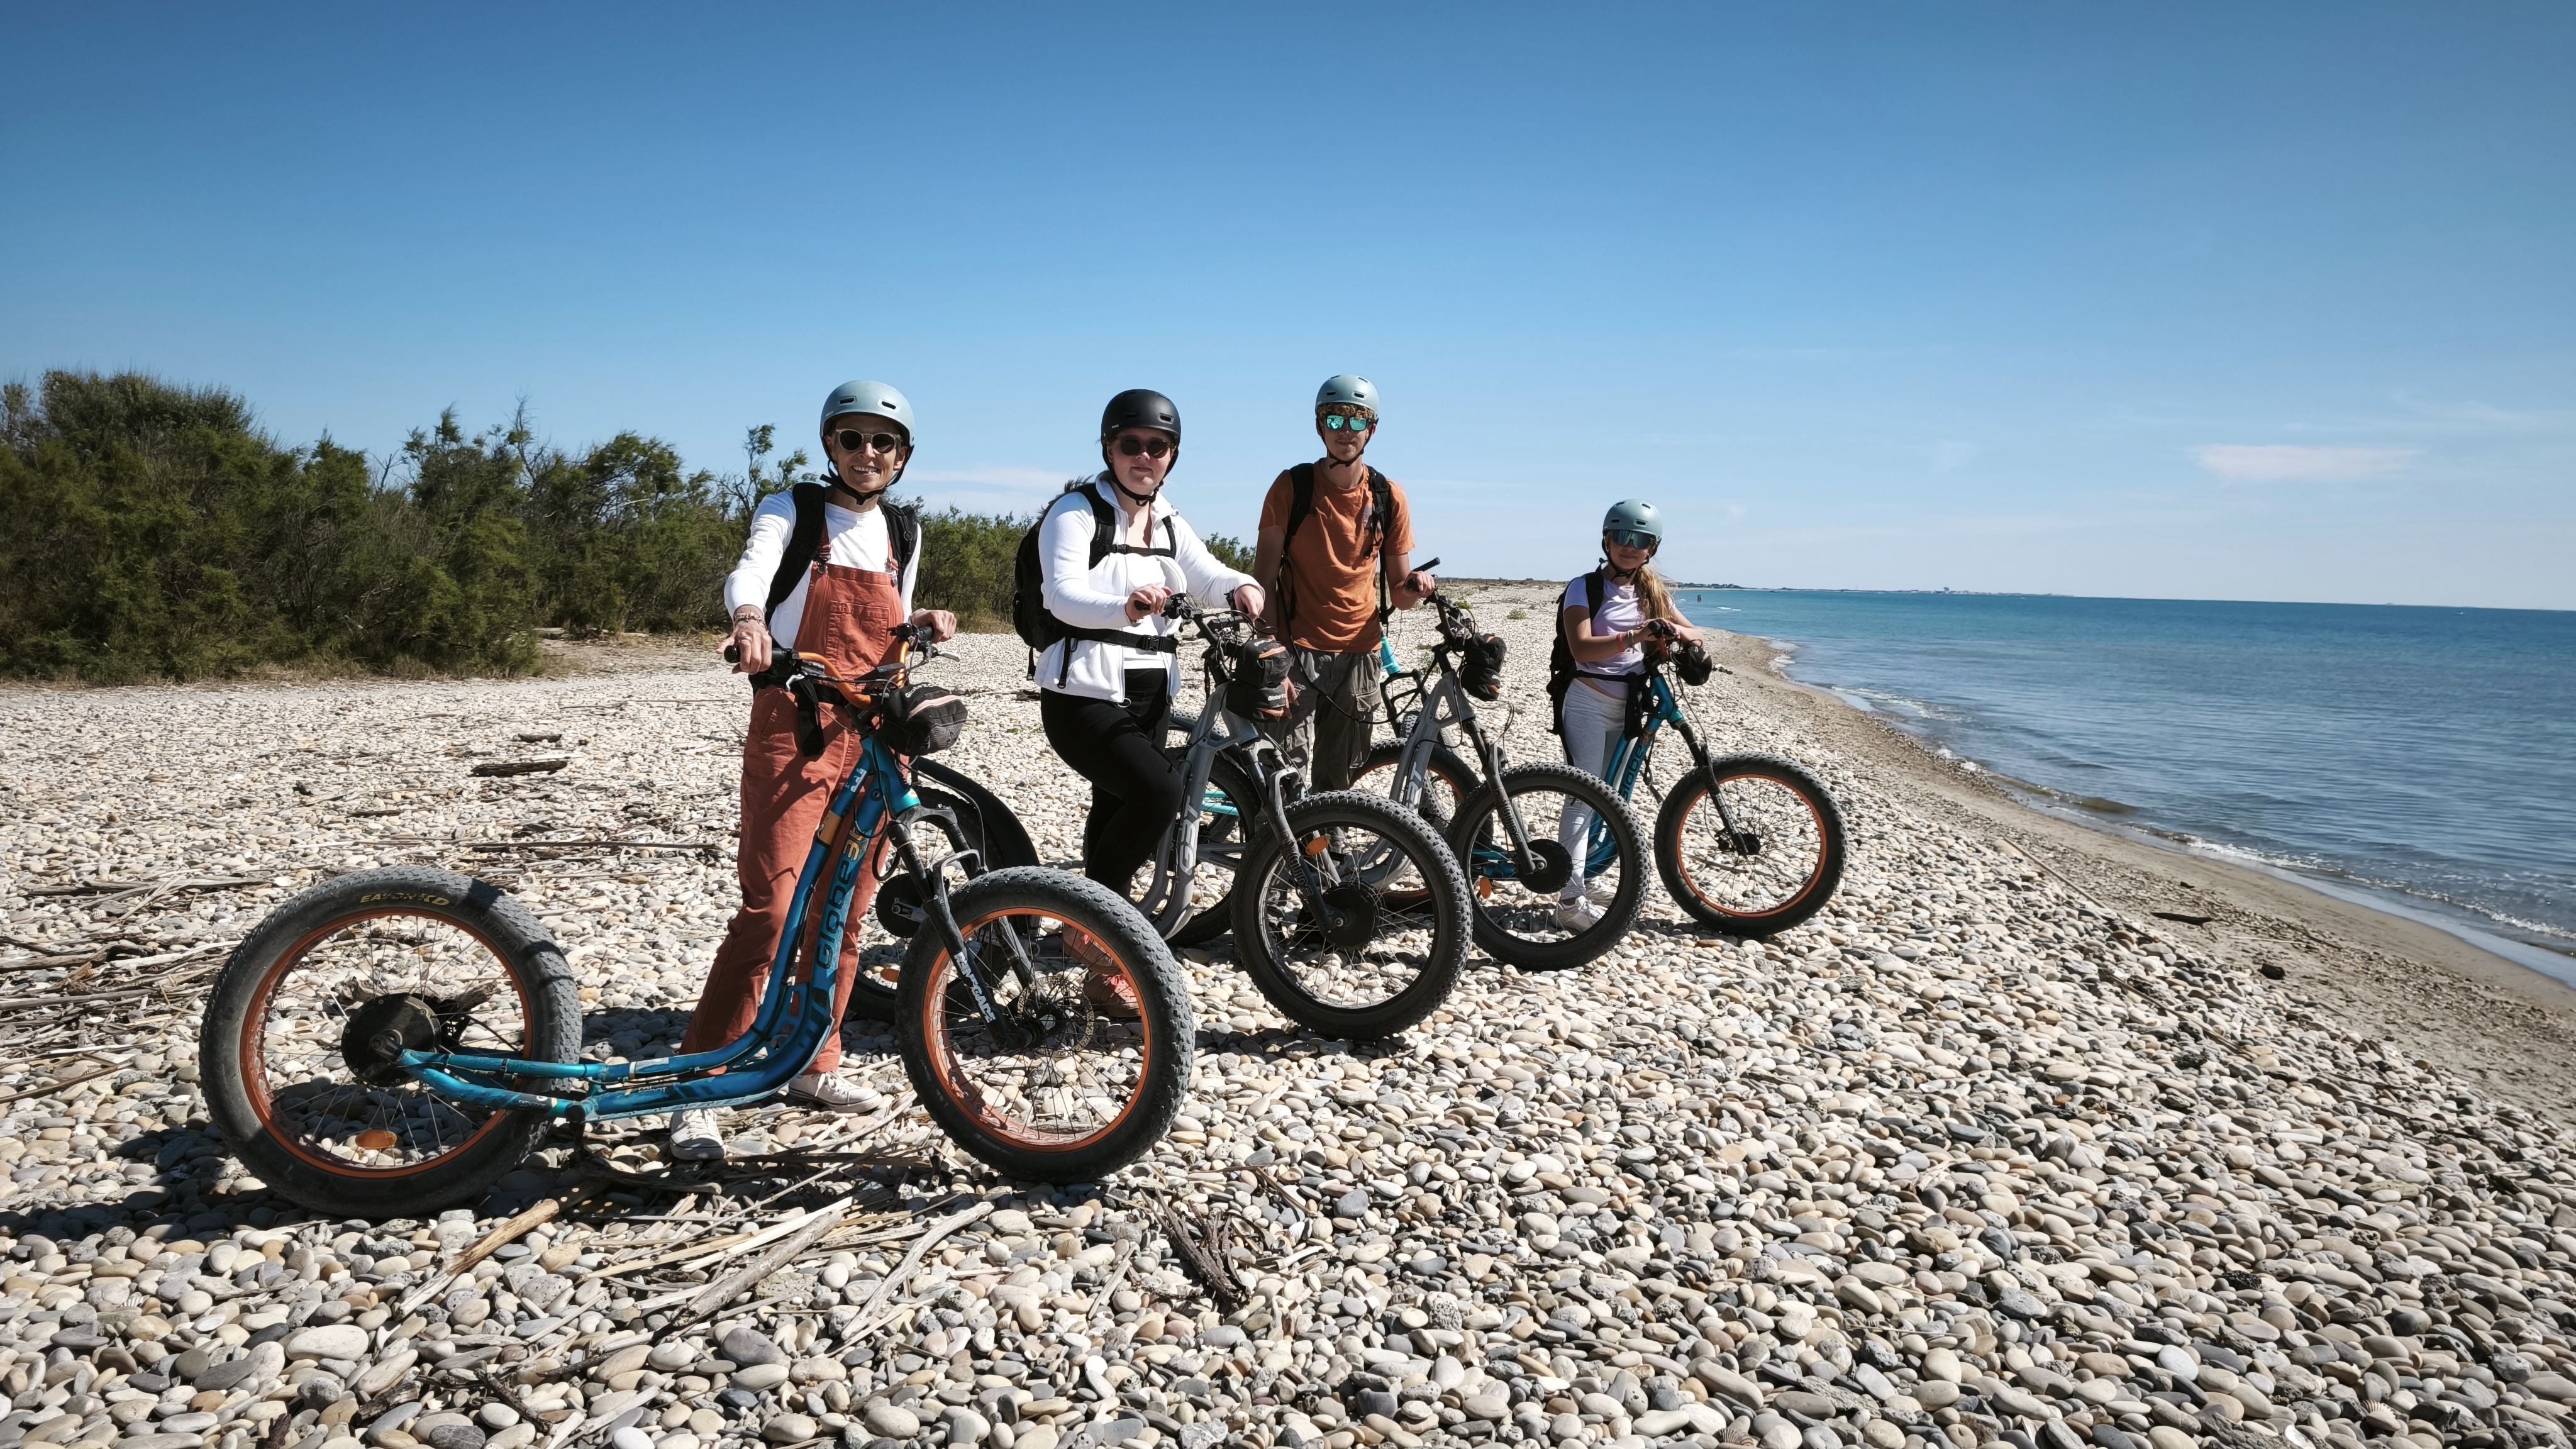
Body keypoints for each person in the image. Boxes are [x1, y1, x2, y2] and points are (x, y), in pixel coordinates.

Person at [669, 379, 958, 1162]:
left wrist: (920, 621)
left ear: (902, 456)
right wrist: (749, 620)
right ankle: (702, 1081)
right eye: (852, 439)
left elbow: (891, 617)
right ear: (829, 444)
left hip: (878, 729)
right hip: (795, 725)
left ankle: (815, 1061)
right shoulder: (789, 509)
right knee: (772, 905)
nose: (868, 454)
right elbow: (752, 572)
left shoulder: (905, 528)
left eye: (884, 443)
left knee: (847, 907)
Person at [1035, 389, 1263, 1011]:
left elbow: (1206, 572)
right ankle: (1097, 932)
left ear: (1172, 456)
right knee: (1159, 793)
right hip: (1081, 694)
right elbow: (1060, 595)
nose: (1143, 456)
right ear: (1109, 449)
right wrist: (1126, 604)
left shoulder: (1169, 520)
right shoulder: (1076, 513)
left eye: (1156, 447)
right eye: (1130, 444)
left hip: (1149, 691)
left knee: (1113, 812)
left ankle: (1092, 950)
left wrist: (1242, 586)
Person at [1249, 375, 1433, 792]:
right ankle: (1277, 858)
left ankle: (1328, 854)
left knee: (1340, 779)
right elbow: (1263, 581)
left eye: (1357, 420)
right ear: (1320, 427)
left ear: (1372, 428)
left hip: (1361, 654)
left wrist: (1418, 588)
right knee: (1282, 777)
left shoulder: (1388, 496)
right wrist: (1271, 655)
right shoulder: (1291, 487)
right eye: (1335, 419)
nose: (1345, 430)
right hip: (1296, 652)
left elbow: (1400, 595)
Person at [1555, 499, 1702, 928]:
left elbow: (1695, 632)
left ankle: (1581, 876)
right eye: (1622, 537)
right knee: (1583, 795)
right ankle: (1568, 902)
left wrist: (1674, 631)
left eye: (1641, 541)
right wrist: (1636, 635)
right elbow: (1581, 646)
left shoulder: (1651, 590)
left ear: (1652, 548)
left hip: (1631, 704)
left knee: (1613, 795)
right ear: (1607, 540)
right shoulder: (1584, 588)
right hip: (1587, 699)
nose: (1630, 547)